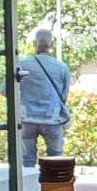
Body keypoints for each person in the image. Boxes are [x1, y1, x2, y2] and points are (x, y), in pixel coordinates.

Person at [18, 27, 71, 168]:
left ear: (34, 44)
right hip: (52, 119)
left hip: (27, 119)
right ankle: (52, 182)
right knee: (56, 159)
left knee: (27, 161)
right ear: (51, 45)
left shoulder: (21, 64)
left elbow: (5, 90)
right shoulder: (61, 67)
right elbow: (64, 95)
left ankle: (30, 182)